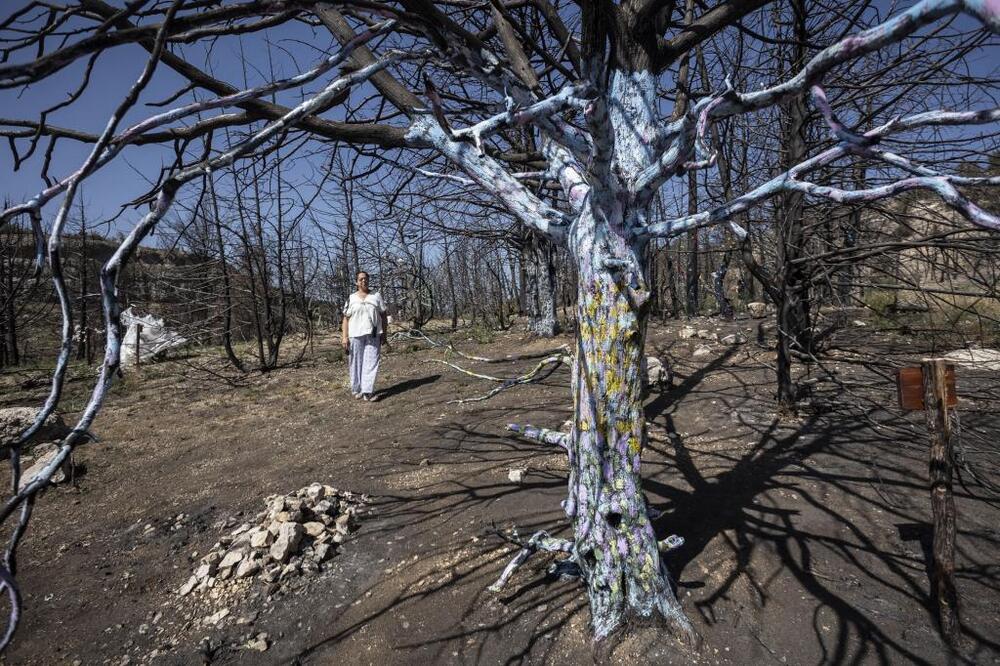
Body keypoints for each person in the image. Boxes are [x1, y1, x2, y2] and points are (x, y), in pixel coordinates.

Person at [341, 271, 388, 401]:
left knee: (371, 361)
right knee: (356, 362)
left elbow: (383, 315)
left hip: (373, 334)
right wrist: (344, 337)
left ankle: (367, 391)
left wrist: (384, 333)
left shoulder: (376, 296)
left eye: (366, 279)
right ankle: (357, 389)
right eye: (361, 279)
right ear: (357, 282)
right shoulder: (351, 298)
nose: (364, 281)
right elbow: (346, 318)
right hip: (355, 335)